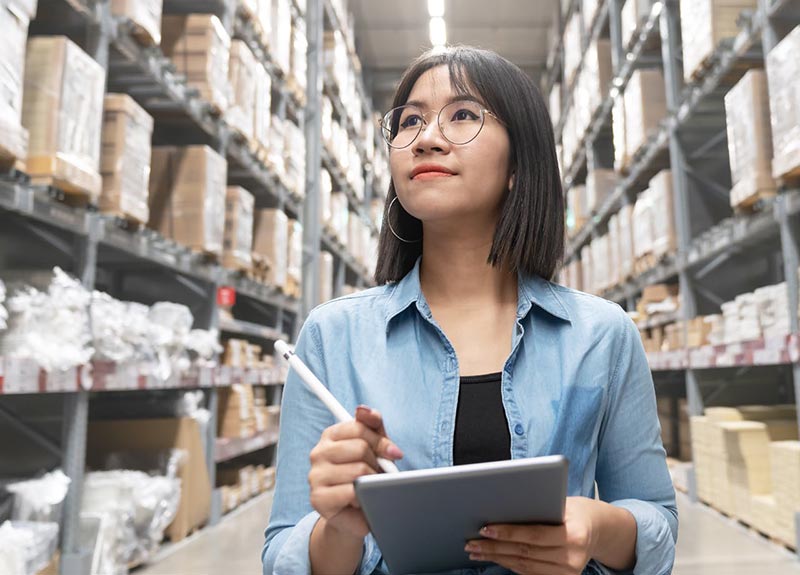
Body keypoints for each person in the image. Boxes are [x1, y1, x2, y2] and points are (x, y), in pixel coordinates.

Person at [262, 46, 677, 575]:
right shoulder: (332, 336)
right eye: (410, 120)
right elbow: (283, 554)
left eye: (462, 115)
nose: (427, 137)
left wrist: (595, 529)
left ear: (517, 165)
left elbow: (656, 523)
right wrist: (338, 526)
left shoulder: (602, 335)